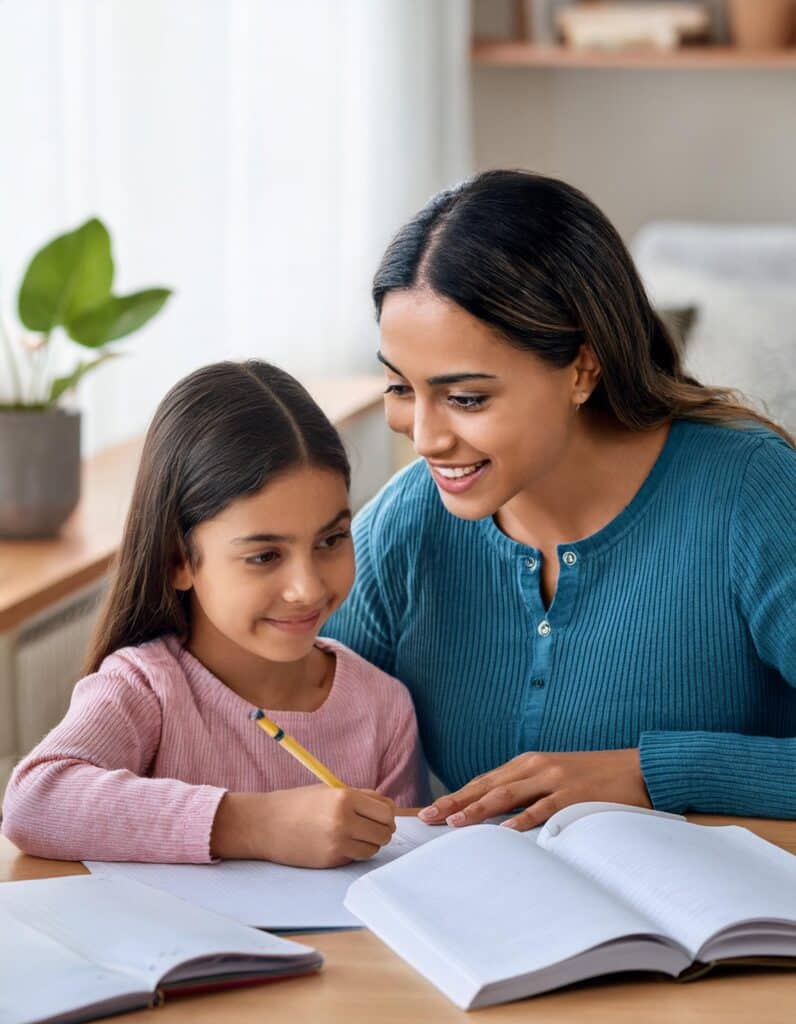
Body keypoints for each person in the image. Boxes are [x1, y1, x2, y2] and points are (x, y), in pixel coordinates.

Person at [322, 169, 796, 831]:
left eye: (465, 398)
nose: (425, 437)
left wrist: (650, 772)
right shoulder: (408, 522)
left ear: (582, 367)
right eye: (401, 388)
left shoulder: (751, 492)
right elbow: (285, 723)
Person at [2, 361, 427, 866]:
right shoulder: (147, 689)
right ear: (178, 559)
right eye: (264, 556)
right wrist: (255, 825)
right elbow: (35, 802)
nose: (307, 587)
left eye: (331, 540)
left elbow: (404, 874)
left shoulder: (382, 708)